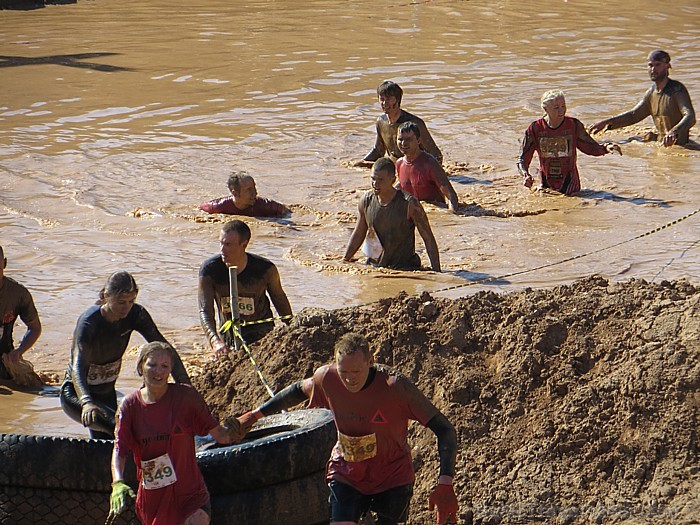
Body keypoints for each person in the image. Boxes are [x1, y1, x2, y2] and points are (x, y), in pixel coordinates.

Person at [235, 332, 459, 525]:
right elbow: (297, 391)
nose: (350, 380)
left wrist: (445, 483)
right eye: (344, 372)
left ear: (370, 361)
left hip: (392, 476)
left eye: (356, 372)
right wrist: (254, 415)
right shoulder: (327, 378)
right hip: (347, 473)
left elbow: (445, 430)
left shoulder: (396, 388)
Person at [106, 341, 243, 525]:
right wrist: (118, 482)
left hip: (190, 495)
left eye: (165, 366)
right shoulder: (129, 406)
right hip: (153, 499)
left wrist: (235, 430)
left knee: (198, 521)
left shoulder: (187, 398)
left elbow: (221, 435)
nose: (158, 372)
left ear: (171, 370)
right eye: (152, 365)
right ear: (141, 367)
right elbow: (119, 449)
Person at [60, 271, 191, 439]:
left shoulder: (135, 314)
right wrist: (86, 402)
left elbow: (165, 349)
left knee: (108, 443)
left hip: (106, 393)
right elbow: (78, 365)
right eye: (121, 302)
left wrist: (185, 386)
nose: (126, 308)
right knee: (123, 430)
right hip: (76, 394)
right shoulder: (89, 322)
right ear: (107, 296)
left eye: (131, 301)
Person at [198, 219, 293, 357]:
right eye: (221, 243)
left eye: (228, 245)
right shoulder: (209, 270)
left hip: (261, 334)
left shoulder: (265, 269)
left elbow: (279, 300)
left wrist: (292, 327)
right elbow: (205, 310)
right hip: (229, 334)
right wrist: (214, 341)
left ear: (244, 245)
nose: (222, 250)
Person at [343, 157, 441, 272]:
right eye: (373, 179)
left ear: (393, 180)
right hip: (375, 267)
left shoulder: (410, 204)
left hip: (405, 268)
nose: (375, 184)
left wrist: (437, 272)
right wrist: (345, 260)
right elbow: (359, 233)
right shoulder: (366, 201)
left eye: (381, 180)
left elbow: (428, 238)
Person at [517, 90, 622, 195]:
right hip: (545, 183)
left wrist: (607, 148)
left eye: (563, 106)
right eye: (556, 108)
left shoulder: (573, 125)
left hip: (570, 184)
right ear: (545, 109)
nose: (561, 111)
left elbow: (590, 148)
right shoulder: (535, 129)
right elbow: (522, 159)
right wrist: (525, 175)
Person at [589, 50, 696, 147]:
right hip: (660, 144)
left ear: (667, 66)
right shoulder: (651, 93)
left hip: (681, 146)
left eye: (658, 65)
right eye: (650, 65)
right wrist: (606, 122)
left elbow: (690, 116)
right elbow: (633, 116)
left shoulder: (677, 90)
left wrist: (674, 132)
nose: (653, 69)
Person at [359, 81, 443, 166]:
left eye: (389, 99)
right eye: (382, 99)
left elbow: (436, 155)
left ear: (398, 100)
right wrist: (361, 162)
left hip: (416, 166)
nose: (384, 103)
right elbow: (378, 151)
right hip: (397, 166)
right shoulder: (381, 122)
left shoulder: (414, 123)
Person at [396, 122, 459, 213]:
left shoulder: (430, 163)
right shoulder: (399, 163)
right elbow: (401, 185)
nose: (403, 143)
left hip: (435, 213)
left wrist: (451, 217)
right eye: (400, 139)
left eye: (408, 139)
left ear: (418, 141)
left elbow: (451, 196)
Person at [0, 245, 42, 380]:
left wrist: (19, 351)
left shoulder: (19, 294)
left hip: (4, 354)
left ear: (5, 263)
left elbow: (35, 328)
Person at [199, 172, 289, 218]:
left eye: (254, 188)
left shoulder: (266, 205)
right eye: (249, 190)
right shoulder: (218, 207)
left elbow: (286, 212)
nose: (255, 193)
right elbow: (200, 209)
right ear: (235, 193)